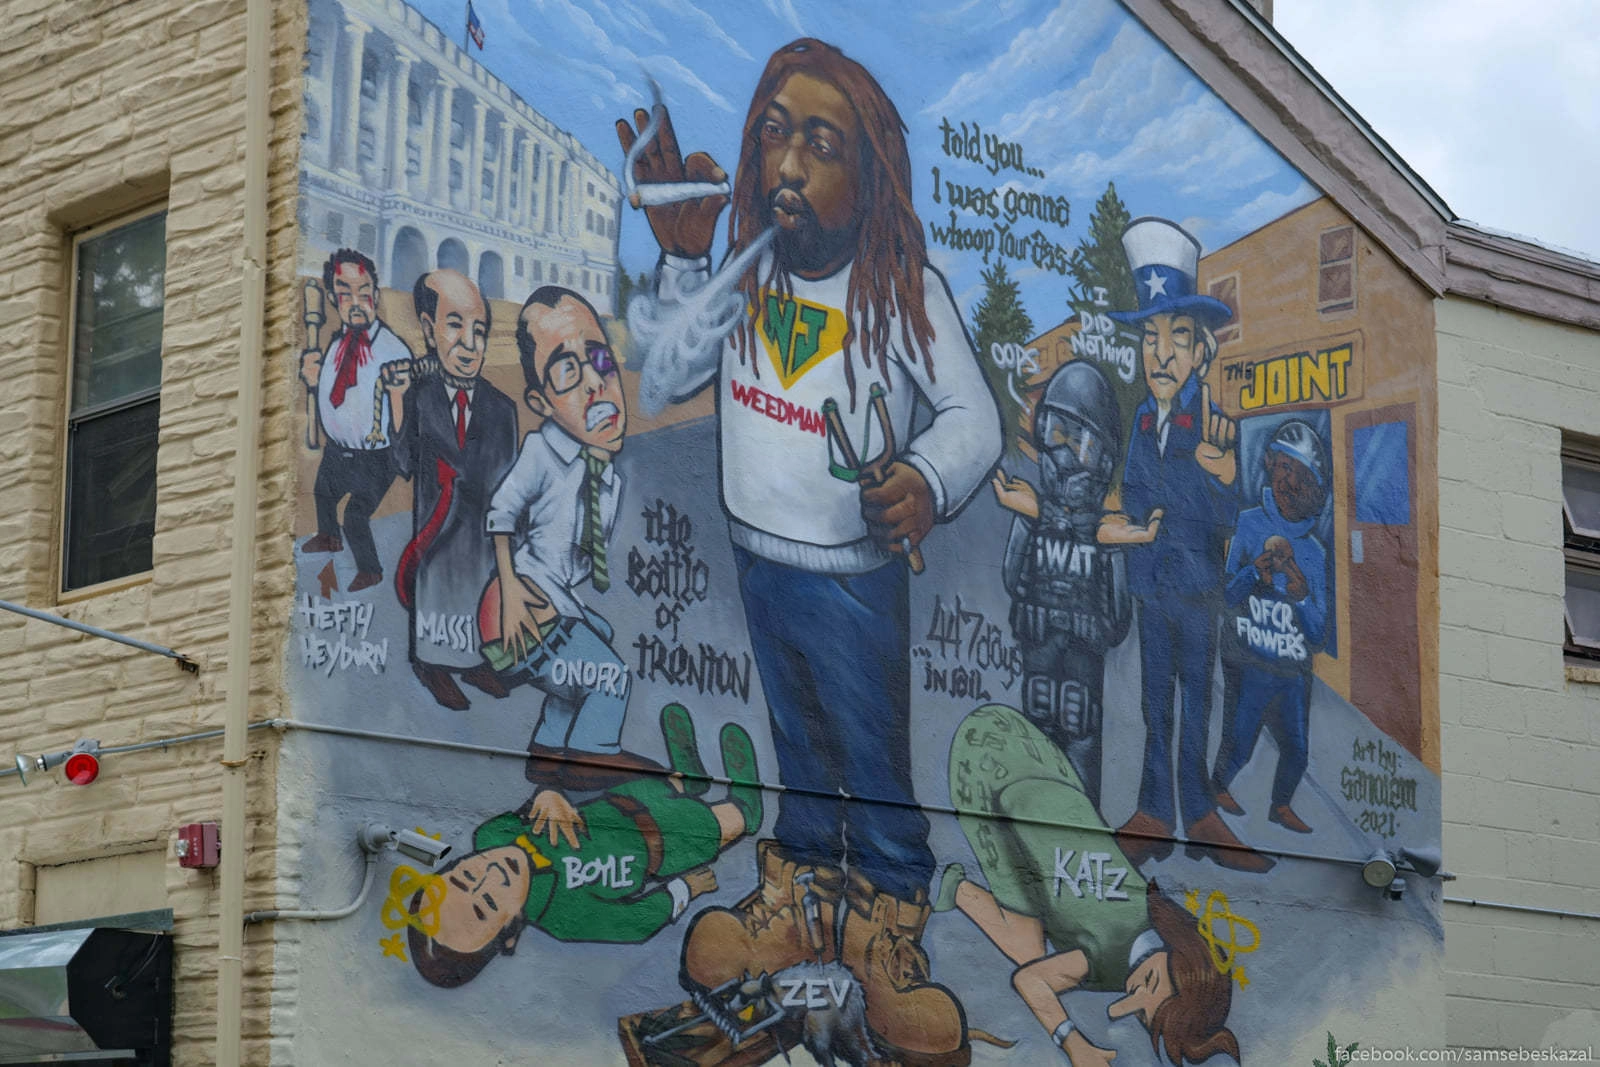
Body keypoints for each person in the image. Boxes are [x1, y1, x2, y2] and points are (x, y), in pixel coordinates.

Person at [618, 38, 1002, 1065]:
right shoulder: (745, 268)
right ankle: (794, 902)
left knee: (868, 753)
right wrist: (684, 256)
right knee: (798, 740)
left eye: (820, 145)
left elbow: (973, 416)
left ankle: (885, 928)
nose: (788, 165)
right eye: (773, 135)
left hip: (856, 575)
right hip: (761, 558)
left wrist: (924, 479)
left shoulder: (899, 287)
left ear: (870, 172)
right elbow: (668, 374)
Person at [1101, 217, 1271, 875]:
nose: (1161, 354)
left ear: (1202, 352)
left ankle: (1199, 815)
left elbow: (1233, 517)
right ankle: (1154, 814)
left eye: (1176, 337)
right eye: (1151, 338)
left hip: (1198, 590)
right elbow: (1136, 493)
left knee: (1195, 701)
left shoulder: (1214, 425)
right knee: (1156, 705)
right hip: (1152, 587)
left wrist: (1222, 474)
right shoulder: (1144, 420)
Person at [938, 704, 1241, 1067]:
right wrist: (1073, 1044)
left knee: (1038, 941)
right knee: (1031, 955)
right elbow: (1029, 981)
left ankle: (956, 887)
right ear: (1179, 956)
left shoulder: (1153, 912)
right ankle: (953, 886)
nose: (1128, 1001)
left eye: (1142, 1015)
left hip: (1026, 748)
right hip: (985, 773)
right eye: (1150, 986)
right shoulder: (1107, 955)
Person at [407, 706, 762, 988]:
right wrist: (685, 889)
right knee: (710, 826)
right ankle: (746, 810)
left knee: (661, 786)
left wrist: (547, 794)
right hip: (664, 846)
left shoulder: (492, 835)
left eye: (465, 877)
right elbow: (632, 923)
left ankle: (690, 780)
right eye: (488, 904)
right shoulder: (562, 915)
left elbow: (525, 811)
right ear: (510, 931)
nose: (489, 877)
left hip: (618, 802)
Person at [480, 286, 659, 789]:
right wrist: (511, 589)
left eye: (600, 361)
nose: (595, 384)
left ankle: (548, 748)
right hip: (520, 606)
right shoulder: (542, 453)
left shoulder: (606, 474)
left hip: (554, 599)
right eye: (567, 371)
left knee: (591, 648)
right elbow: (500, 515)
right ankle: (592, 754)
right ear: (541, 401)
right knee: (609, 676)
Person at [990, 360, 1133, 807]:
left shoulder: (1105, 535)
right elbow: (1013, 578)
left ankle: (1078, 817)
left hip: (1080, 662)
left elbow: (1118, 618)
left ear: (1103, 460)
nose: (1066, 458)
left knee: (1079, 721)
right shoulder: (1034, 517)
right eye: (1056, 435)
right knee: (1038, 714)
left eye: (1081, 444)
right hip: (1039, 647)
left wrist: (1094, 628)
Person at [388, 269, 519, 711]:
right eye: (455, 325)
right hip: (438, 525)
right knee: (436, 595)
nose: (469, 343)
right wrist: (396, 401)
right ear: (428, 330)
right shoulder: (419, 397)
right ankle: (431, 665)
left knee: (478, 594)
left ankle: (476, 662)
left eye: (479, 331)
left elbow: (509, 478)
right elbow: (403, 463)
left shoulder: (501, 408)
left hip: (481, 531)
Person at [1211, 420, 1330, 834]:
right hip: (1250, 660)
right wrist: (1252, 574)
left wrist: (1302, 597)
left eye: (1301, 476)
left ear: (1313, 487)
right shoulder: (1248, 524)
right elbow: (1226, 597)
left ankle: (1281, 806)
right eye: (1283, 468)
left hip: (1293, 670)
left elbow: (1318, 634)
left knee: (1297, 750)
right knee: (1240, 740)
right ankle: (1216, 788)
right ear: (1269, 465)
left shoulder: (1314, 552)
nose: (1289, 482)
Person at [299, 249, 414, 592]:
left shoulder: (392, 350)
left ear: (375, 295)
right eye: (345, 293)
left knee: (355, 515)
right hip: (339, 451)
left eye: (364, 293)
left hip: (376, 455)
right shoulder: (336, 346)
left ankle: (370, 569)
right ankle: (328, 537)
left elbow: (408, 412)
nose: (356, 303)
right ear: (333, 299)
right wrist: (313, 379)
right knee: (322, 493)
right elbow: (334, 391)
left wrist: (400, 390)